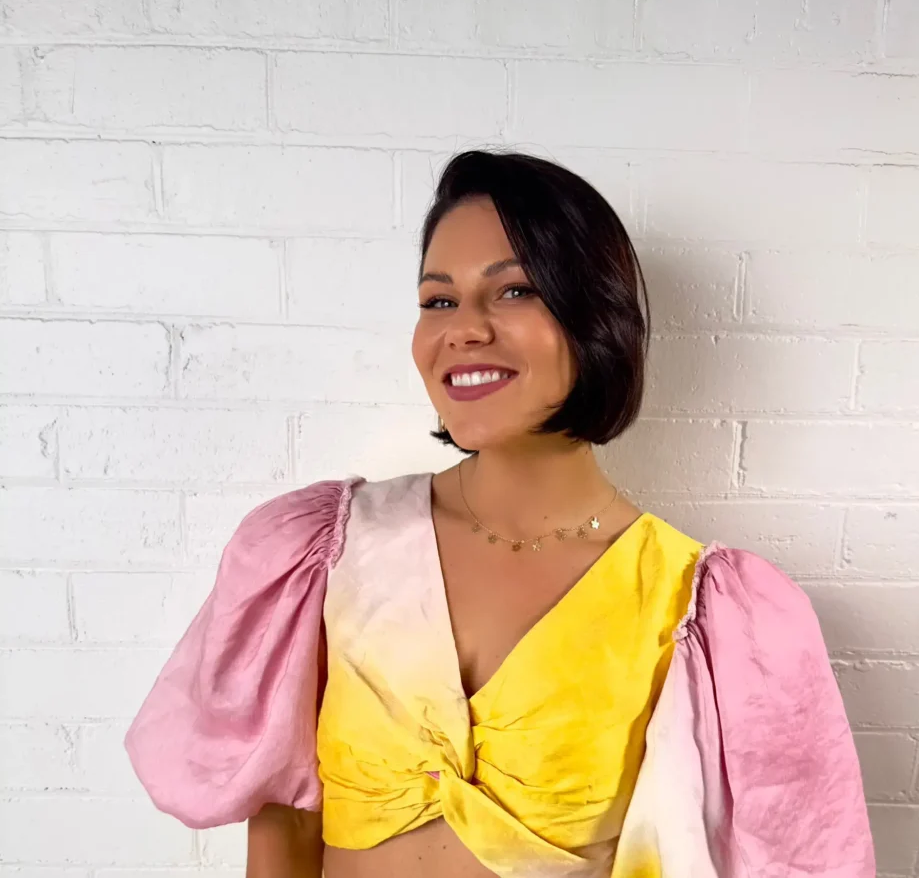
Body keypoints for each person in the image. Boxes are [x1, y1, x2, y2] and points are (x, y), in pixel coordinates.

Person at [126, 150, 875, 878]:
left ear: (593, 317)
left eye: (512, 291)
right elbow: (286, 818)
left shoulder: (706, 613)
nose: (464, 327)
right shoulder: (324, 553)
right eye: (438, 300)